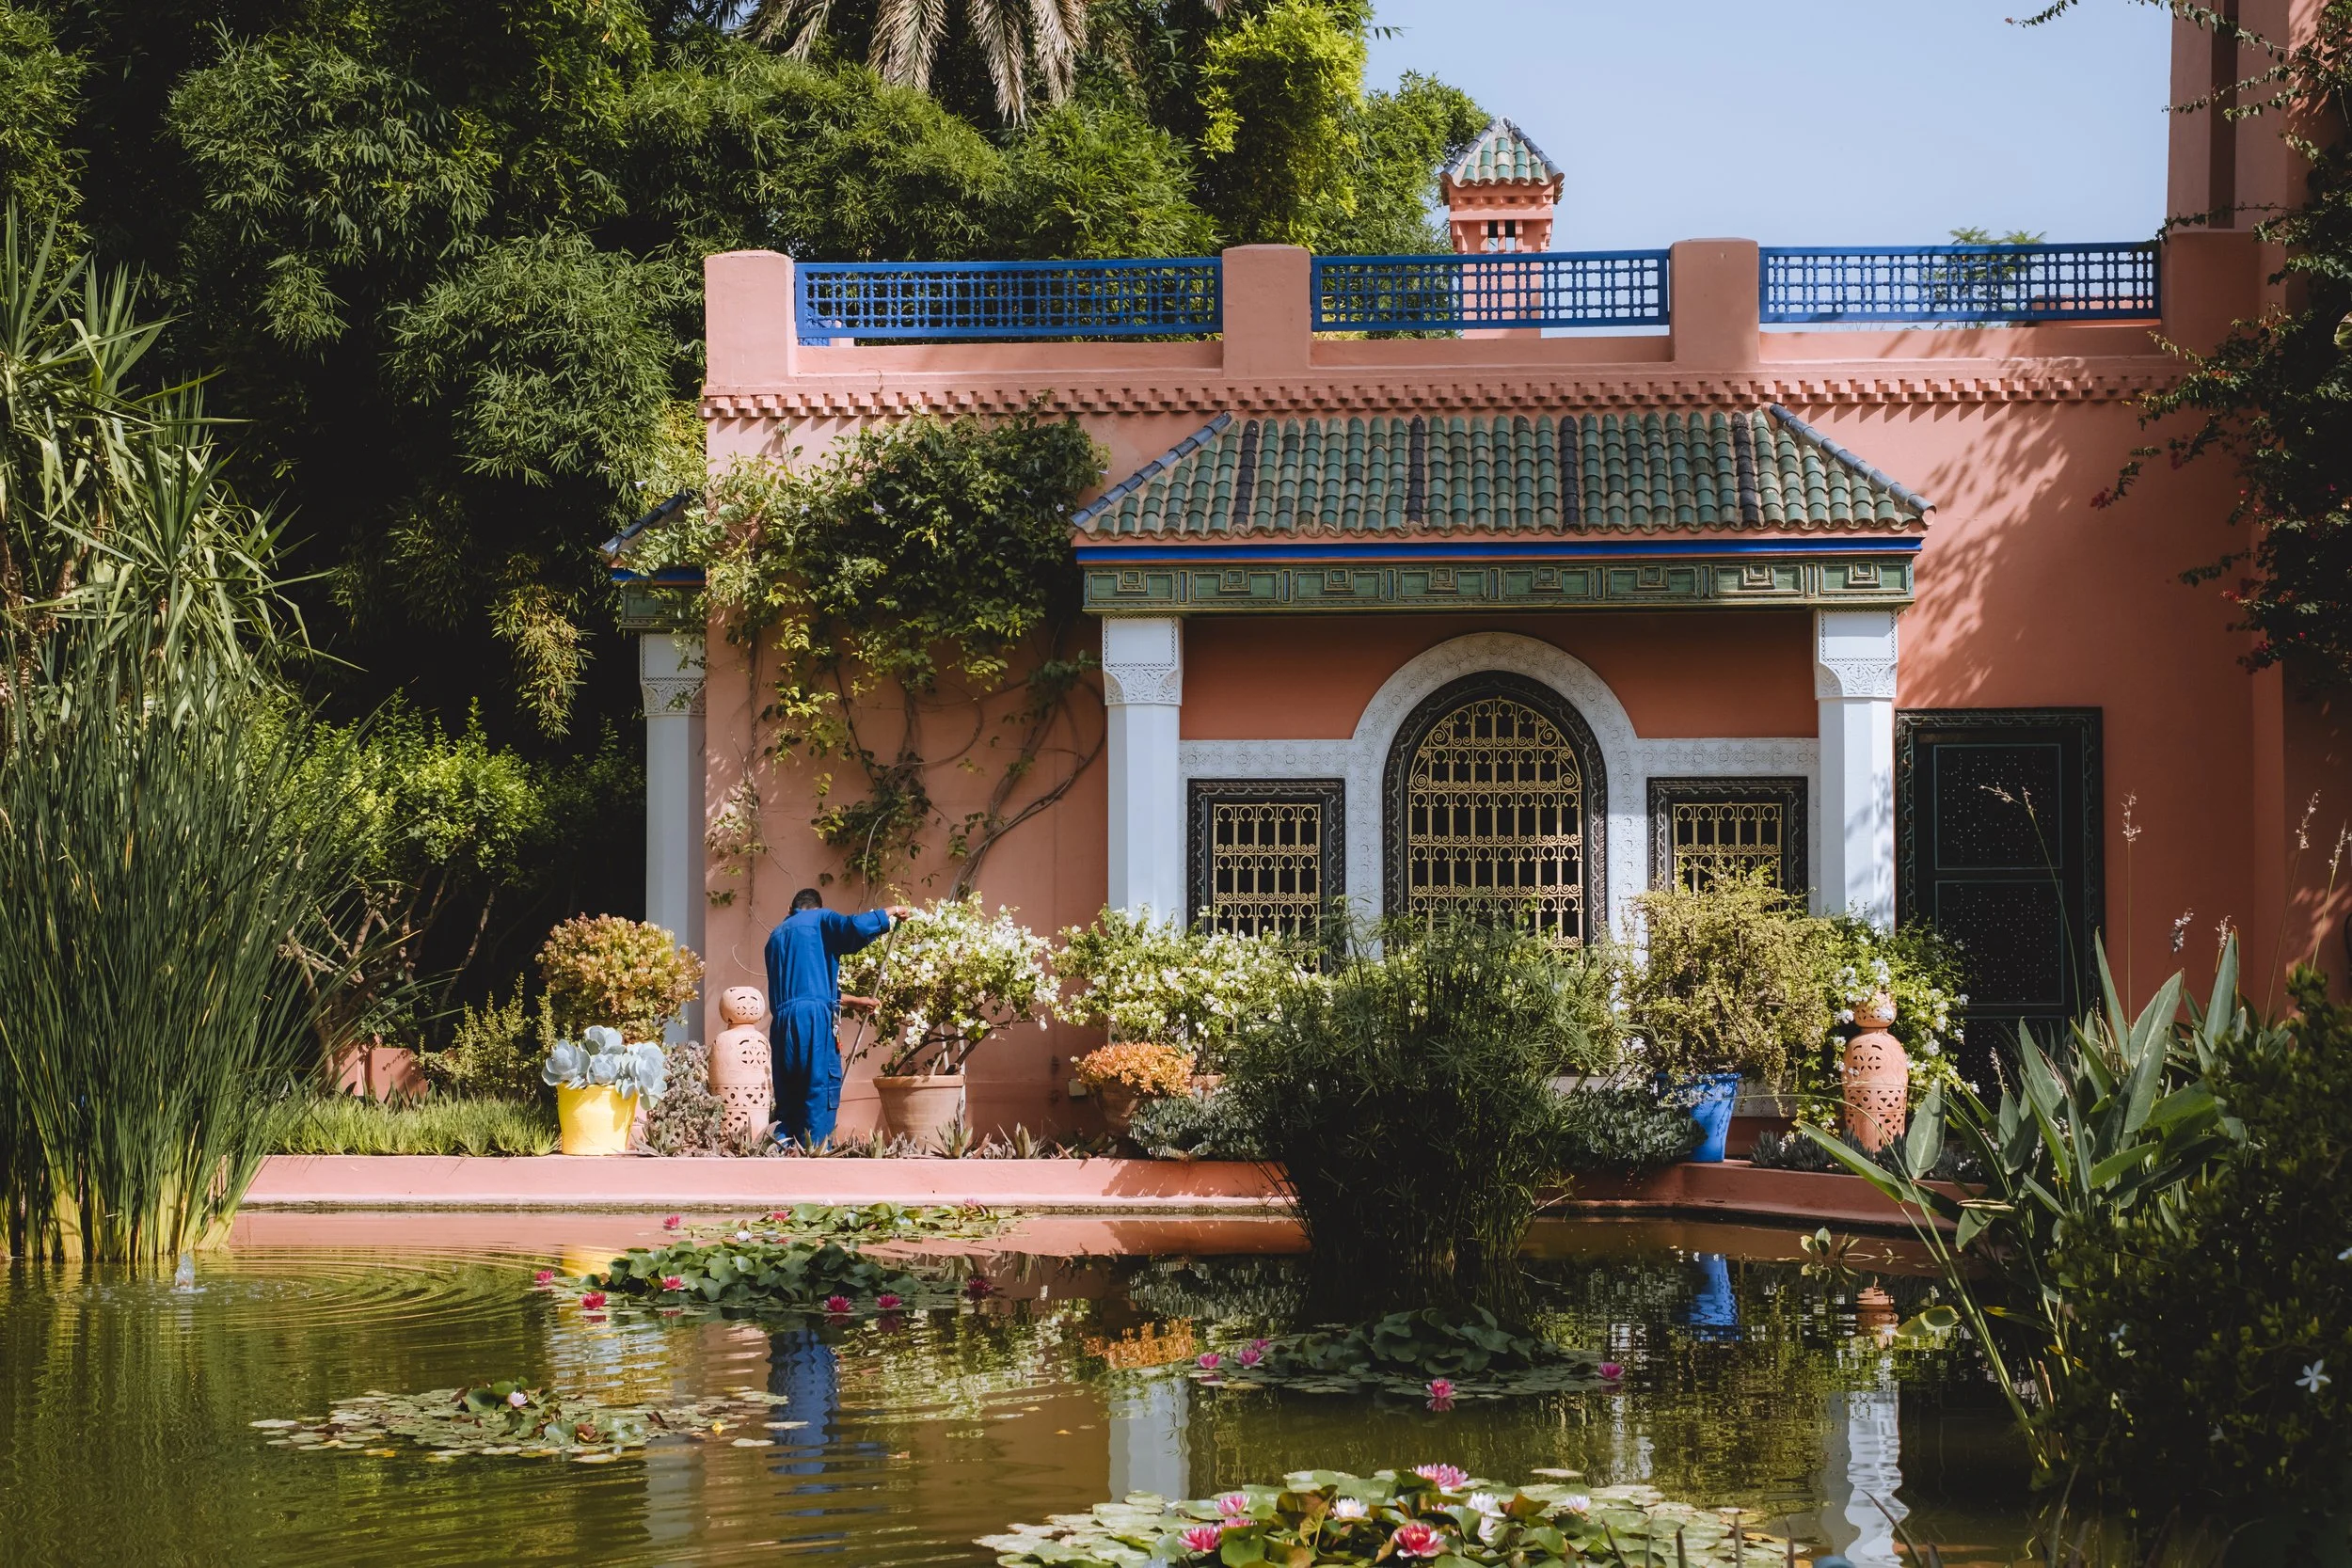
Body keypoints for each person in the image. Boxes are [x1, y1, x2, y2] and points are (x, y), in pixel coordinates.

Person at [763, 888, 914, 1148]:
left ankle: (781, 1158)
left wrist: (857, 1001)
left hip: (782, 1026)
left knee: (789, 1102)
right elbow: (853, 927)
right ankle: (817, 1164)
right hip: (814, 1023)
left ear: (790, 909)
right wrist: (890, 912)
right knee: (818, 1093)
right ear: (817, 906)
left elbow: (808, 990)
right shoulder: (821, 919)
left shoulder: (775, 937)